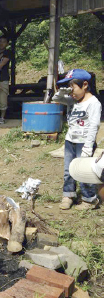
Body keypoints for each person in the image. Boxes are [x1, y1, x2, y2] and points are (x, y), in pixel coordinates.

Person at [53, 69, 101, 210]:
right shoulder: (72, 100)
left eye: (72, 87)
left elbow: (94, 126)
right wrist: (62, 92)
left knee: (84, 171)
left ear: (85, 85)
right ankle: (68, 195)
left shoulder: (93, 103)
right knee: (69, 170)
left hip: (84, 143)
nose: (71, 92)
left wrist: (88, 146)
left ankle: (89, 199)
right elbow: (56, 99)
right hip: (70, 141)